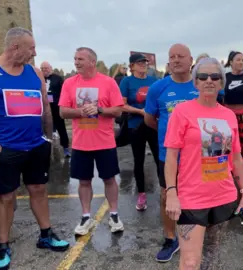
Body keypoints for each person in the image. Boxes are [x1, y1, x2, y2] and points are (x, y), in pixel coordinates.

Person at [0, 27, 69, 270]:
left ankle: (46, 235)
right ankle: (3, 246)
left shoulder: (36, 73)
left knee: (39, 189)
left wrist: (49, 141)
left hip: (37, 145)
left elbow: (46, 111)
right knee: (6, 197)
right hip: (6, 149)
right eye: (31, 48)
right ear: (15, 47)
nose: (34, 53)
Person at [164, 57, 243, 270]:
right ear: (196, 83)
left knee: (211, 256)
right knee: (190, 262)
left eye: (215, 76)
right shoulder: (182, 112)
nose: (209, 80)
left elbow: (236, 157)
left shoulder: (229, 116)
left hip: (223, 196)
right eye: (203, 76)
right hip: (192, 198)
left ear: (222, 82)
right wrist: (172, 193)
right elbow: (171, 157)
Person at [59, 47, 125, 236]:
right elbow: (63, 111)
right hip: (81, 144)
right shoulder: (69, 84)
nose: (76, 62)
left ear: (92, 62)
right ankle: (86, 216)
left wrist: (99, 110)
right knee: (84, 181)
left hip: (105, 143)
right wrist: (81, 112)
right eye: (75, 59)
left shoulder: (108, 82)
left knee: (109, 179)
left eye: (80, 59)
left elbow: (118, 110)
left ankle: (113, 215)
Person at [144, 43, 199, 262]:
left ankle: (194, 236)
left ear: (191, 60)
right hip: (169, 156)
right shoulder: (158, 88)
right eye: (172, 57)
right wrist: (171, 137)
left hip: (196, 156)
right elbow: (149, 119)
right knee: (168, 195)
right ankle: (170, 238)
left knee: (195, 198)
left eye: (181, 56)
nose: (176, 60)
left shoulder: (201, 85)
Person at [119, 53, 159, 211]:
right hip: (135, 126)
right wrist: (141, 111)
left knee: (159, 158)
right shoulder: (127, 81)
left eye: (145, 62)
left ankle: (166, 190)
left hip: (153, 125)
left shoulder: (153, 81)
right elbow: (121, 105)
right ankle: (141, 194)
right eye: (140, 62)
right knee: (139, 160)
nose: (143, 64)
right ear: (132, 66)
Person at [41, 61, 71, 157]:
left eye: (46, 68)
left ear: (50, 68)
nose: (44, 70)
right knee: (44, 129)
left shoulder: (57, 78)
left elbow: (64, 93)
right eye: (42, 68)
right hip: (43, 108)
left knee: (61, 128)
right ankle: (45, 150)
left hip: (56, 107)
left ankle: (66, 148)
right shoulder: (38, 78)